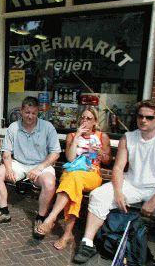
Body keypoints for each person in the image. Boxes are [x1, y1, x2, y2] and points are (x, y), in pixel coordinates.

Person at [73, 100, 155, 264]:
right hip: (133, 184)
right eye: (140, 116)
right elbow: (119, 168)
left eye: (149, 117)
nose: (143, 120)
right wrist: (119, 192)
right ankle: (87, 243)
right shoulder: (128, 138)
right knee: (99, 195)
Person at [35, 107, 111, 250]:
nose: (84, 121)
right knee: (73, 185)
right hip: (72, 173)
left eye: (88, 118)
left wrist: (99, 151)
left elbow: (108, 161)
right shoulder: (71, 135)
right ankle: (67, 234)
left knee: (72, 181)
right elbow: (70, 158)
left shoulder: (102, 136)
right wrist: (77, 137)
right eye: (82, 117)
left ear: (95, 122)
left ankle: (51, 218)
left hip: (91, 174)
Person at [0, 96, 61, 238]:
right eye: (27, 112)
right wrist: (8, 169)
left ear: (38, 112)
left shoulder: (47, 127)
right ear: (21, 111)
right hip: (19, 164)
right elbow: (7, 153)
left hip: (41, 165)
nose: (30, 116)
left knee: (50, 184)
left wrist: (39, 168)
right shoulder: (13, 127)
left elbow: (55, 153)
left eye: (33, 113)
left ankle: (40, 217)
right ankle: (4, 212)